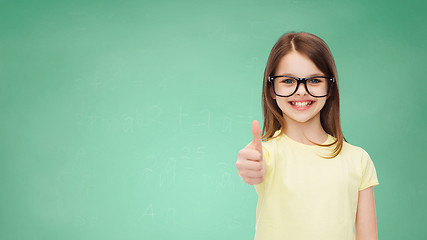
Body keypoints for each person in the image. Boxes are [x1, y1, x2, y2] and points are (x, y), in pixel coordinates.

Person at [236, 31, 379, 240]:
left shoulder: (358, 160)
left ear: (330, 87)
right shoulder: (265, 155)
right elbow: (253, 165)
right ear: (272, 88)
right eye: (287, 81)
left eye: (314, 80)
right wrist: (250, 166)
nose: (301, 91)